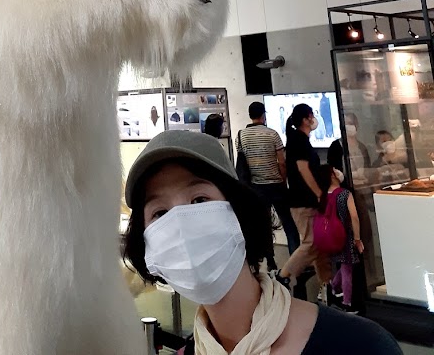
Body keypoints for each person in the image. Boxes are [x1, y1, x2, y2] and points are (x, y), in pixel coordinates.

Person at [122, 130, 402, 354]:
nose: (181, 226)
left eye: (199, 200)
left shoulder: (358, 344)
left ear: (240, 213)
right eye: (159, 213)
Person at [237, 102, 300, 271]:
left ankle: (270, 260)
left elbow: (244, 163)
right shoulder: (272, 134)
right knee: (289, 224)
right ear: (263, 115)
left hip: (257, 187)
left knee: (264, 225)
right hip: (276, 185)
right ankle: (296, 260)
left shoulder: (241, 135)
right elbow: (281, 162)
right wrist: (283, 180)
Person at [278, 104, 332, 295]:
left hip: (305, 200)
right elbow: (303, 169)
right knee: (311, 242)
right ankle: (283, 276)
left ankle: (327, 284)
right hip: (303, 200)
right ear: (305, 119)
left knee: (320, 244)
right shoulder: (298, 141)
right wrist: (318, 192)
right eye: (311, 115)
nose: (314, 119)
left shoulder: (298, 140)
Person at [316, 164, 364, 314]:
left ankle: (331, 287)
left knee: (343, 265)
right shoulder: (345, 194)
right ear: (332, 175)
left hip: (331, 237)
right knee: (347, 268)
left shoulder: (323, 195)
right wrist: (357, 238)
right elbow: (354, 217)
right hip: (346, 236)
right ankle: (347, 303)